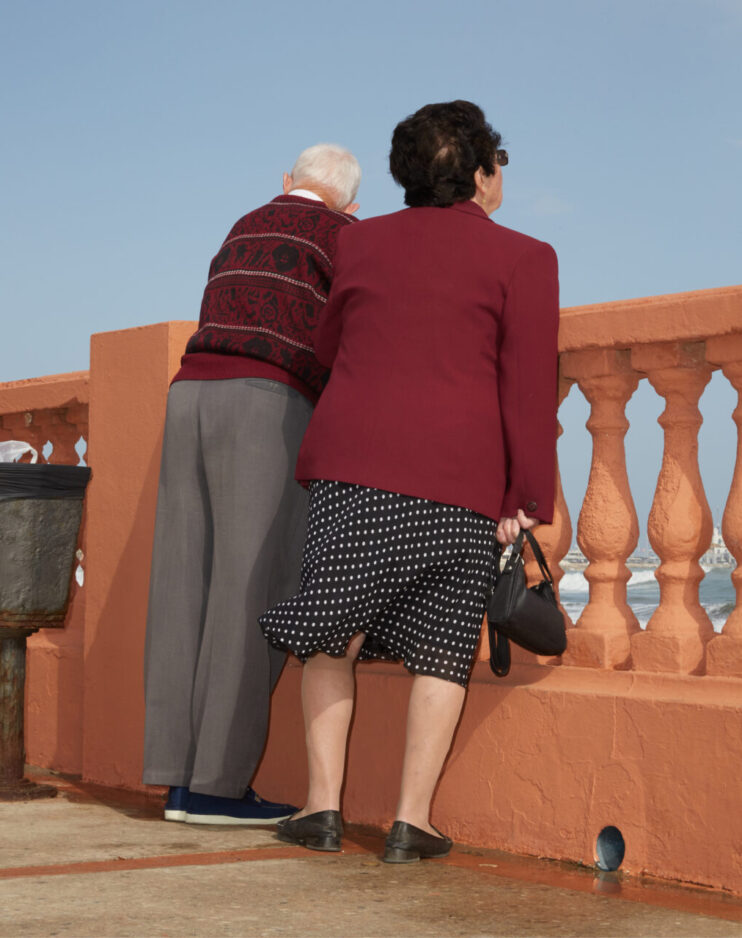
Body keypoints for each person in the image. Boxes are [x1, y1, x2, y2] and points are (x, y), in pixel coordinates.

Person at [259, 101, 559, 860]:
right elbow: (526, 389)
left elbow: (328, 343)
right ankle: (409, 822)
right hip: (460, 480)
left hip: (354, 466)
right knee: (441, 647)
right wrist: (526, 500)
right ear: (481, 174)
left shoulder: (359, 245)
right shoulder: (526, 257)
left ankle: (322, 811)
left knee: (331, 636)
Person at [142, 144, 361, 825]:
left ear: (287, 182)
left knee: (183, 582)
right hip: (266, 401)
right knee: (252, 585)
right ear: (349, 202)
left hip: (189, 395)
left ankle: (175, 776)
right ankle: (215, 786)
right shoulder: (343, 236)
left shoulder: (243, 223)